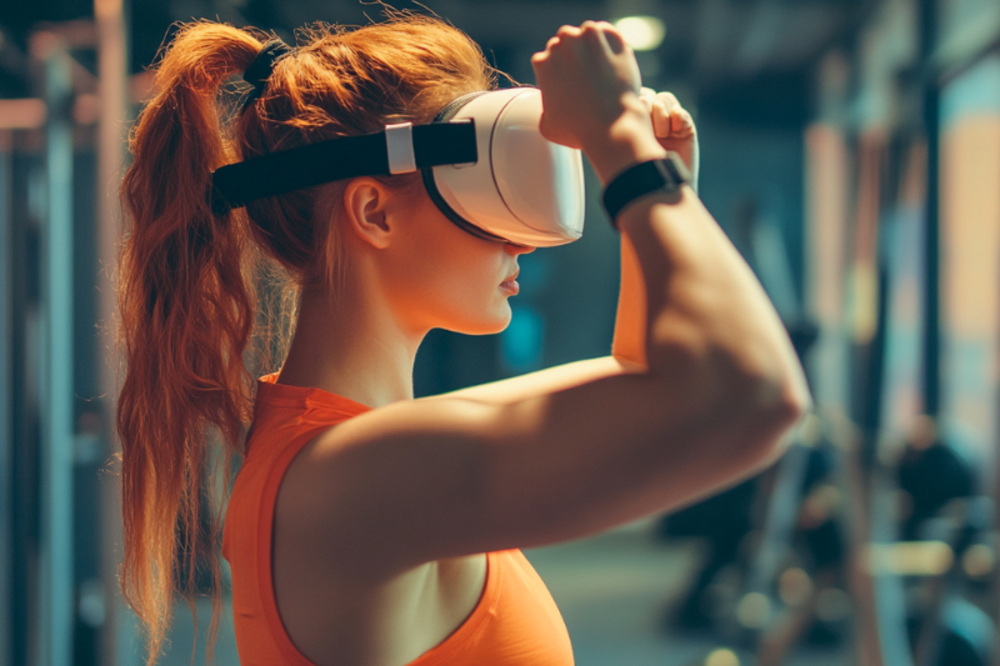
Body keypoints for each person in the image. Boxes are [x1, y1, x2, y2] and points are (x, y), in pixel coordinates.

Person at [116, 10, 810, 666]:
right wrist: (622, 148)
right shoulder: (347, 479)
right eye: (481, 189)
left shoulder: (355, 447)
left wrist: (662, 176)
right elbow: (754, 396)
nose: (519, 240)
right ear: (374, 212)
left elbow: (642, 369)